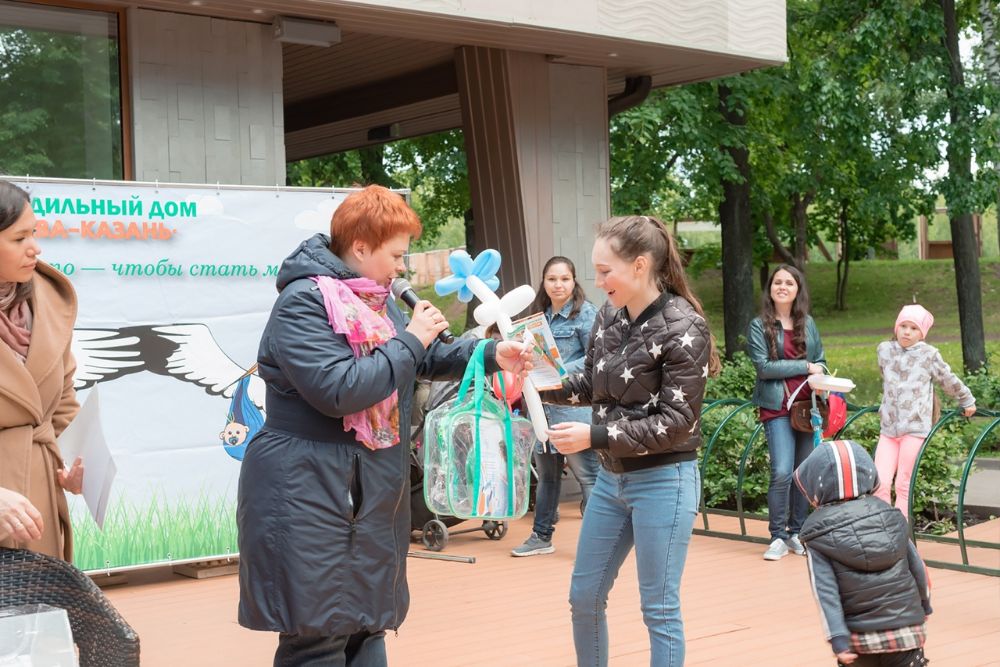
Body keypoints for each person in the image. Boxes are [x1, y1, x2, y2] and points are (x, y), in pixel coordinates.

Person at [236, 185, 531, 667]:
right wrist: (412, 337)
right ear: (359, 248)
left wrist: (489, 353)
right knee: (318, 635)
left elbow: (422, 356)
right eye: (395, 256)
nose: (400, 269)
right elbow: (341, 389)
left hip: (366, 487)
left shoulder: (372, 299)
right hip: (305, 488)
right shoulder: (302, 303)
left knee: (368, 628)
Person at [543, 215, 719, 667]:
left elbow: (677, 422)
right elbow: (592, 383)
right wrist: (540, 382)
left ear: (639, 266)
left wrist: (593, 436)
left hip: (665, 481)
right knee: (584, 597)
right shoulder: (609, 316)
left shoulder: (685, 327)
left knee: (658, 609)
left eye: (606, 271)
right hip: (611, 481)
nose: (597, 281)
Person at [0, 180, 84, 561]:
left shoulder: (46, 301)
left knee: (37, 616)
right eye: (19, 238)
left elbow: (62, 401)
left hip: (38, 509)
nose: (34, 247)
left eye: (33, 233)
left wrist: (75, 463)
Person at [794, 440, 932, 667]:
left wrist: (837, 638)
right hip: (906, 632)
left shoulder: (818, 536)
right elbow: (918, 568)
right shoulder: (891, 517)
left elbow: (825, 591)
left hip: (860, 639)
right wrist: (924, 605)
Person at [511, 256, 599, 557]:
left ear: (574, 281)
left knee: (589, 476)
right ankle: (541, 537)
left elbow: (595, 358)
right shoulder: (538, 317)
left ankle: (599, 543)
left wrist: (558, 368)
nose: (558, 284)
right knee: (547, 477)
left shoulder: (587, 314)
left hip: (572, 409)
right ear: (544, 283)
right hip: (541, 409)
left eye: (564, 279)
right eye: (552, 279)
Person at [747, 264, 826, 561]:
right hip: (777, 406)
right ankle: (777, 535)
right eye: (777, 282)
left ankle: (797, 533)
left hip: (807, 408)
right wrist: (805, 366)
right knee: (781, 471)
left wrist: (823, 377)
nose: (782, 286)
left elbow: (821, 360)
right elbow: (764, 368)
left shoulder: (808, 323)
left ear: (797, 290)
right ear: (770, 289)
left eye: (789, 283)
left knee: (801, 474)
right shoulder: (759, 325)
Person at [874, 304, 976, 520]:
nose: (907, 332)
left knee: (903, 483)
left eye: (914, 328)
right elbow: (887, 379)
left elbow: (947, 380)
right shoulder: (884, 350)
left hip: (914, 428)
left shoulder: (928, 355)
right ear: (896, 327)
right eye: (903, 326)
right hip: (889, 429)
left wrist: (966, 399)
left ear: (922, 333)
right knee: (880, 482)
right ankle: (885, 530)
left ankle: (901, 534)